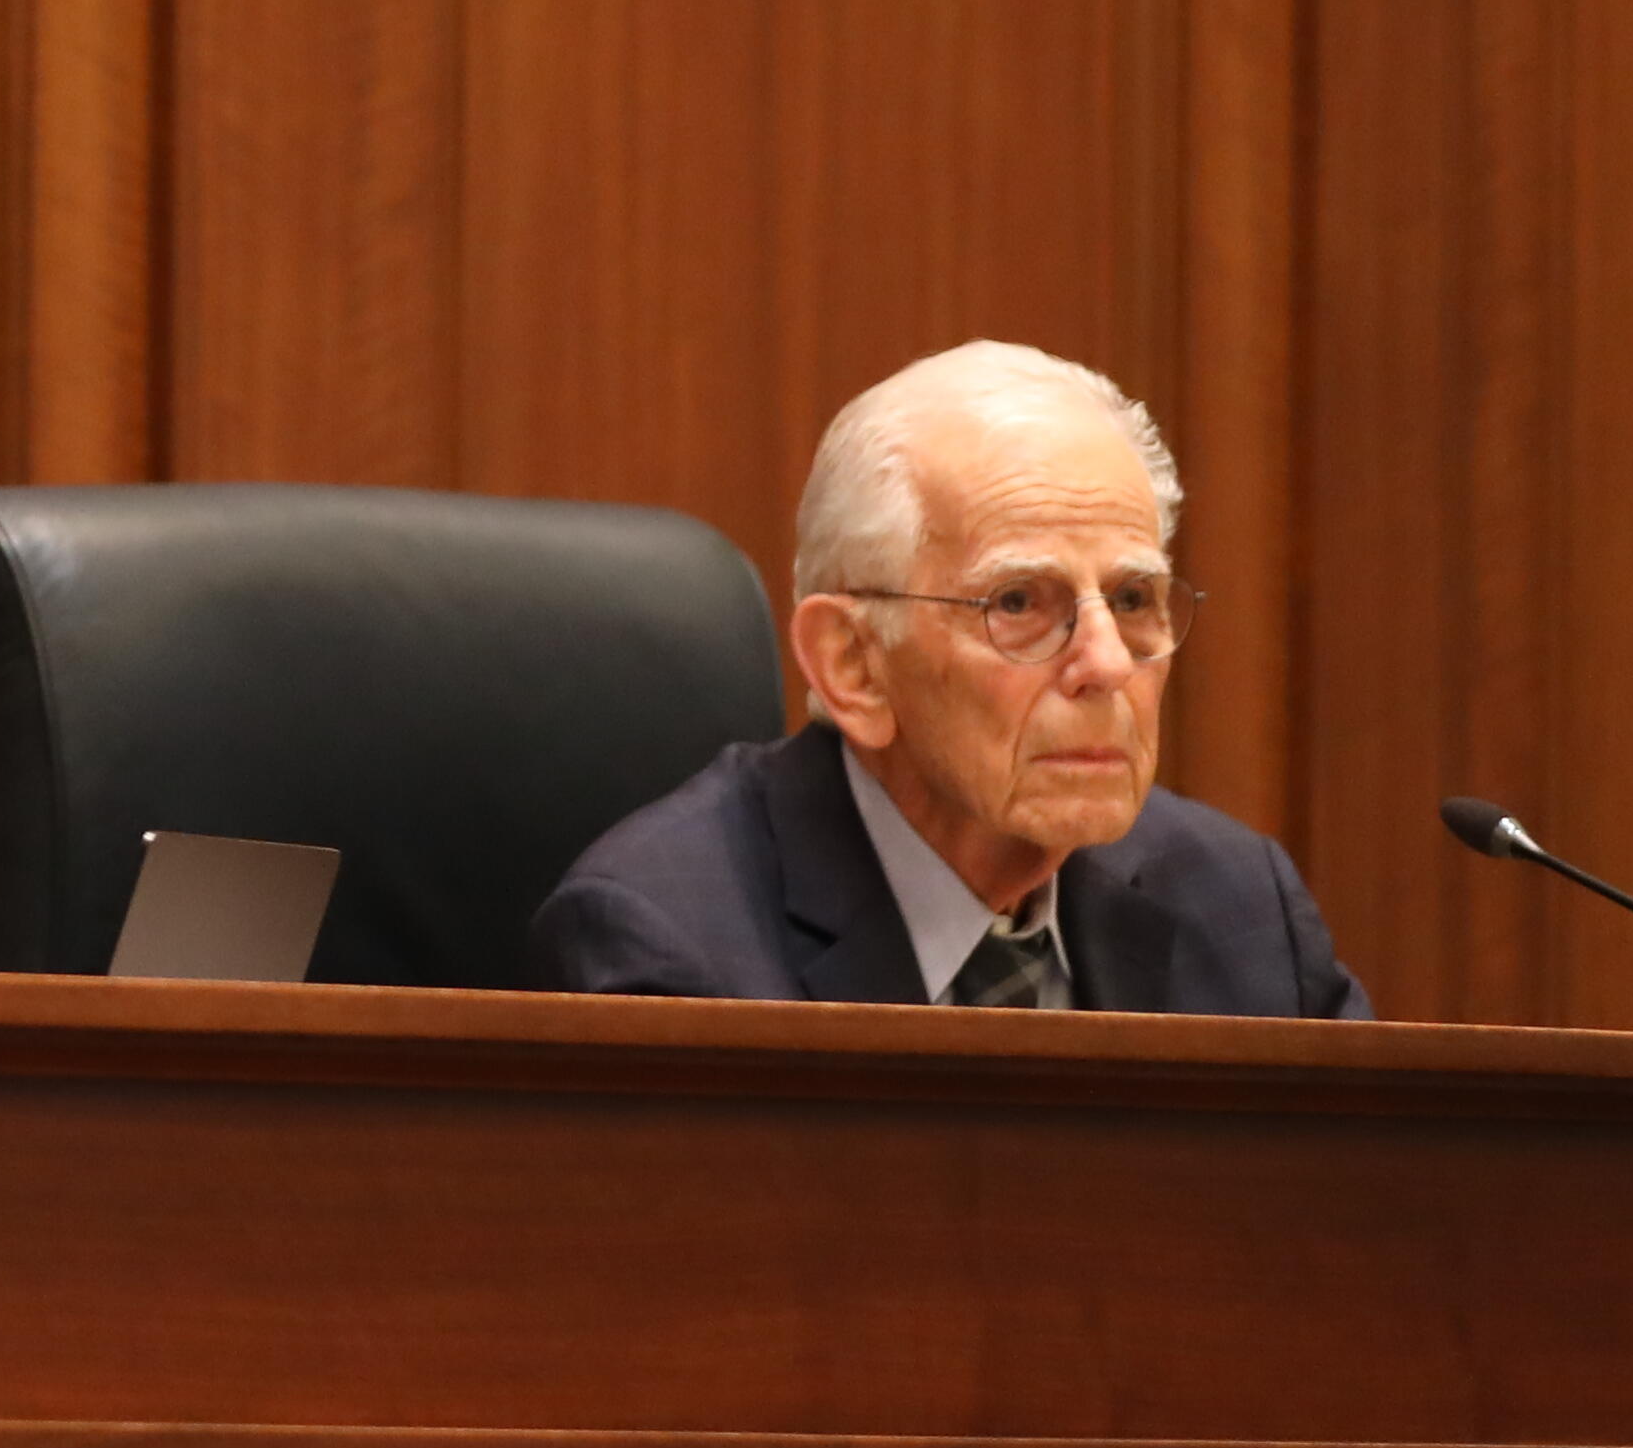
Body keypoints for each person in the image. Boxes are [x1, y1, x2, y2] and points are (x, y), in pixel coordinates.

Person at [535, 338, 1359, 1016]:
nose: (1108, 663)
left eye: (1133, 598)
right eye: (1018, 602)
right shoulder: (671, 950)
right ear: (854, 665)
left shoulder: (1242, 909)